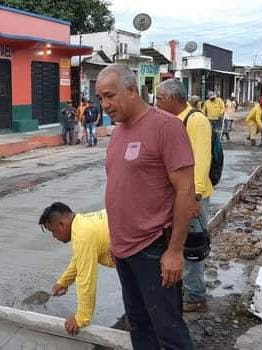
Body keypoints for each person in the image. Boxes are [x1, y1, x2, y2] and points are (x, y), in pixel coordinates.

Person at [96, 64, 195, 350]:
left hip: (154, 248)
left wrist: (175, 251)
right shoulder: (118, 133)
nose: (105, 105)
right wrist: (116, 243)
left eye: (109, 96)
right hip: (124, 251)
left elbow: (186, 190)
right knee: (139, 325)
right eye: (100, 98)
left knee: (169, 330)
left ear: (131, 90)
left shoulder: (166, 126)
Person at [156, 79, 213, 313]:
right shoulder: (170, 122)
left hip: (192, 196)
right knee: (174, 244)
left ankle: (196, 296)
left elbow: (200, 161)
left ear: (171, 99)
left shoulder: (196, 121)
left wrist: (194, 198)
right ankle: (183, 290)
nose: (156, 103)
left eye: (159, 98)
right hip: (176, 195)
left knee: (190, 247)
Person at [38, 202, 114, 336]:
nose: (54, 237)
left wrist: (81, 318)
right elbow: (78, 260)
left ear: (61, 224)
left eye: (53, 231)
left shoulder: (83, 235)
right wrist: (63, 282)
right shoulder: (82, 223)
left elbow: (86, 279)